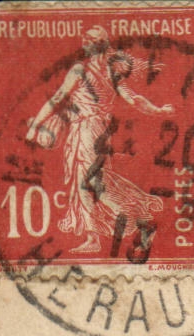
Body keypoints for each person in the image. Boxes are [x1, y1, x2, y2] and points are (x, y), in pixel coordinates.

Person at [23, 27, 173, 253]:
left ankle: (143, 222)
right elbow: (135, 100)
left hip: (87, 130)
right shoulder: (112, 73)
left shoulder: (79, 70)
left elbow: (57, 98)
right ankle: (93, 238)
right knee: (86, 184)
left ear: (98, 45)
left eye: (89, 39)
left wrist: (36, 124)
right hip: (98, 132)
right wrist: (158, 110)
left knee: (92, 184)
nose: (84, 40)